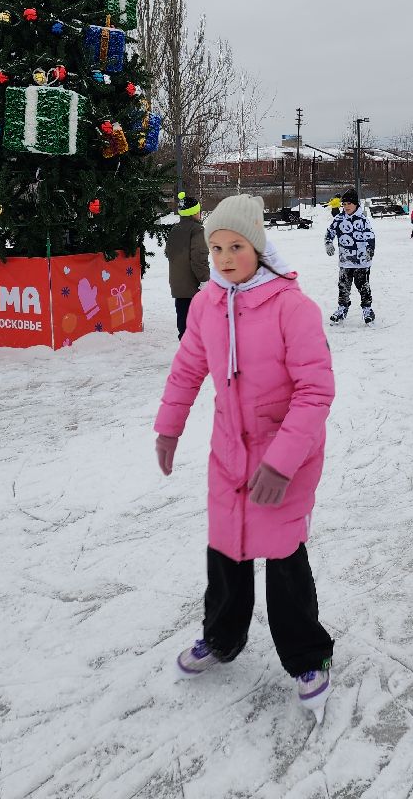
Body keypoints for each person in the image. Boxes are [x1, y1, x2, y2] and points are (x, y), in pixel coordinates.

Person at [153, 194, 335, 718]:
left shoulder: (291, 306)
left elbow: (315, 391)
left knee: (283, 560)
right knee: (226, 553)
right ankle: (223, 638)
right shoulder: (209, 303)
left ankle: (307, 654)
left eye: (236, 246)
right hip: (229, 454)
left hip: (285, 455)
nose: (225, 257)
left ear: (257, 246)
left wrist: (281, 461)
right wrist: (169, 428)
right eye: (215, 248)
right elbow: (188, 369)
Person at [324, 188, 376, 325]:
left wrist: (370, 251)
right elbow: (329, 232)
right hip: (345, 261)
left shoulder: (363, 219)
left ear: (356, 204)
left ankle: (367, 309)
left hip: (361, 261)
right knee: (343, 286)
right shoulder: (339, 219)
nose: (346, 206)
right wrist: (328, 243)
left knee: (363, 286)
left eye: (349, 204)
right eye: (344, 204)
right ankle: (342, 308)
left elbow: (370, 236)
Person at [166, 191, 210, 339]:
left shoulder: (174, 230)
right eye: (199, 211)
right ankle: (196, 355)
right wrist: (204, 280)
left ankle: (186, 352)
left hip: (178, 285)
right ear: (195, 212)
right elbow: (199, 258)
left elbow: (169, 253)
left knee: (183, 323)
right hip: (193, 286)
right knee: (198, 324)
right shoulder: (197, 230)